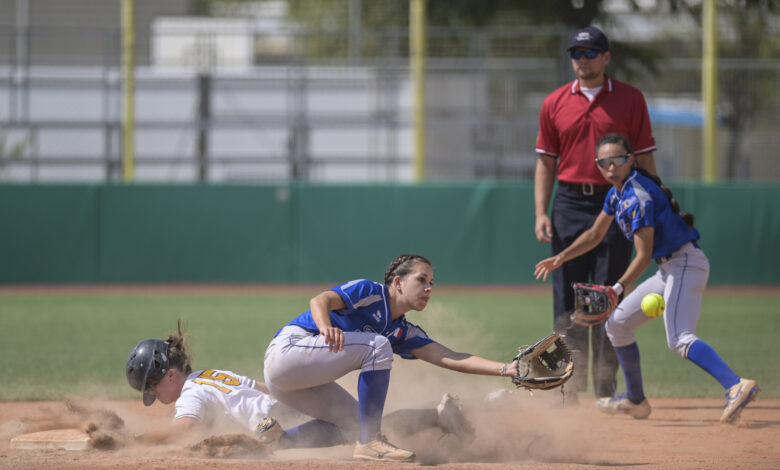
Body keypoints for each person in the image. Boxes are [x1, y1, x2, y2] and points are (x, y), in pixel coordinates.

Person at [534, 134, 759, 423]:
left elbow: (642, 255)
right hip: (668, 269)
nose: (611, 166)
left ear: (631, 160)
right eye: (605, 162)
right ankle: (636, 400)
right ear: (598, 166)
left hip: (685, 263)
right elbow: (594, 235)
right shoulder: (617, 193)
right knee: (617, 325)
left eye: (618, 160)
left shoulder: (637, 197)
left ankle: (736, 385)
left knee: (679, 338)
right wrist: (562, 257)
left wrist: (616, 289)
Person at [262, 253, 519, 462]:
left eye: (431, 283)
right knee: (377, 346)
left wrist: (507, 368)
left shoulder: (402, 330)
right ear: (398, 282)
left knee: (354, 424)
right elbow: (320, 300)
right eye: (421, 280)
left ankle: (276, 440)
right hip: (288, 352)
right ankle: (370, 443)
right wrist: (325, 326)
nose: (429, 288)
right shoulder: (369, 292)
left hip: (299, 382)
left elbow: (449, 356)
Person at [534, 25, 658, 401]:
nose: (582, 59)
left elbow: (647, 157)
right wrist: (541, 210)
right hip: (569, 202)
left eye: (590, 53)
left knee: (607, 296)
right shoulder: (554, 102)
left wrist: (656, 206)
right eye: (576, 53)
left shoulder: (630, 99)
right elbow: (545, 163)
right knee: (567, 301)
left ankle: (605, 389)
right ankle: (567, 388)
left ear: (606, 57)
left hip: (618, 200)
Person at [125, 321, 475, 448]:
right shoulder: (210, 376)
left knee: (359, 432)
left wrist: (137, 443)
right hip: (286, 407)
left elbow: (184, 428)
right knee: (362, 426)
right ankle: (438, 416)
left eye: (152, 388)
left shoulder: (191, 392)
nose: (155, 397)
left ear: (170, 375)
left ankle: (438, 418)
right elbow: (262, 387)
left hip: (281, 422)